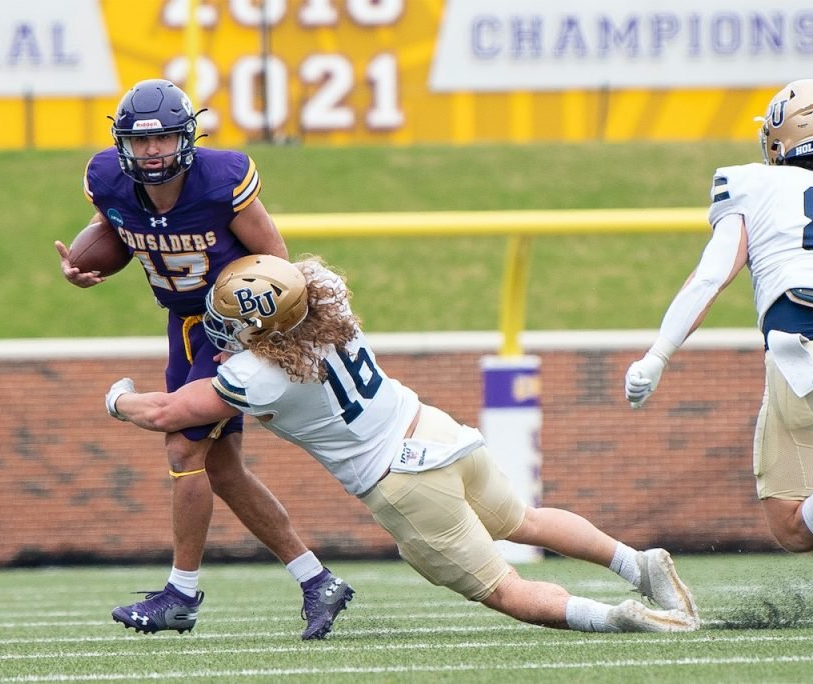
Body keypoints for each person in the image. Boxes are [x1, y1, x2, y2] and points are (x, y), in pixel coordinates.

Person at [104, 253, 702, 635]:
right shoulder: (328, 297)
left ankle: (625, 619)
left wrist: (117, 398)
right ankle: (638, 564)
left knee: (505, 590)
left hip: (401, 479)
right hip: (440, 432)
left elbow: (165, 413)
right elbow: (299, 277)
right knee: (525, 519)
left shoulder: (256, 375)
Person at [623, 78, 813, 645]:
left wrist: (658, 354)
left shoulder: (753, 186)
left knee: (793, 524)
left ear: (781, 138)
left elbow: (711, 277)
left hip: (804, 357)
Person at [54, 79, 353, 639]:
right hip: (182, 327)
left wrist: (247, 329)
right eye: (140, 143)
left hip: (230, 328)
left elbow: (276, 259)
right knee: (221, 469)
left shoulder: (221, 180)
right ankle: (317, 580)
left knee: (183, 443)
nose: (151, 153)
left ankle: (181, 595)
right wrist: (82, 264)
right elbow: (109, 229)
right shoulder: (108, 181)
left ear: (187, 137)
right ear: (122, 145)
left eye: (163, 139)